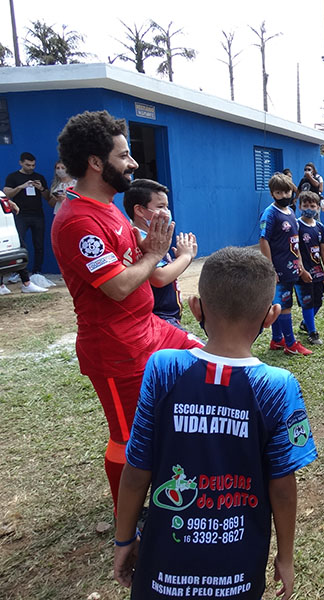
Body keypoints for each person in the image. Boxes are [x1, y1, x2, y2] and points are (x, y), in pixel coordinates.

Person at [113, 246, 317, 600]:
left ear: (195, 308)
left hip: (163, 564)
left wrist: (123, 539)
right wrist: (285, 557)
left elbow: (136, 469)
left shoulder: (163, 368)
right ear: (272, 316)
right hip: (238, 567)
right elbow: (283, 486)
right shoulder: (277, 385)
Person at [52, 110, 203, 512]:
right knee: (127, 437)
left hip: (150, 328)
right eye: (123, 156)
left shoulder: (108, 207)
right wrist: (153, 253)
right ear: (95, 162)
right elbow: (118, 286)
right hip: (116, 349)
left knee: (207, 361)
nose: (133, 163)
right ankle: (130, 519)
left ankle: (178, 462)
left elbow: (151, 274)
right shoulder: (77, 221)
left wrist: (157, 253)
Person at [123, 179, 197, 328]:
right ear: (139, 210)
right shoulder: (140, 239)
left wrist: (180, 260)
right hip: (158, 318)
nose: (167, 212)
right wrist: (185, 256)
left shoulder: (153, 236)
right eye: (160, 207)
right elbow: (159, 278)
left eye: (167, 206)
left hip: (166, 316)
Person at [259, 172, 313, 356]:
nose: (283, 196)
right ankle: (290, 344)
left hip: (292, 267)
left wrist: (301, 265)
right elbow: (264, 240)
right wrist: (270, 268)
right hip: (279, 268)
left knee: (279, 303)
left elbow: (294, 242)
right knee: (284, 305)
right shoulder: (270, 214)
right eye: (278, 193)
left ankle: (277, 339)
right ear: (272, 194)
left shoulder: (290, 212)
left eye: (287, 192)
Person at [4, 152, 52, 288]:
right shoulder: (13, 177)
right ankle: (17, 272)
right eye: (28, 165)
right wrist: (21, 187)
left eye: (33, 165)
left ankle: (37, 272)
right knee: (19, 244)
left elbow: (48, 197)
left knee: (39, 244)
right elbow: (6, 194)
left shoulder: (39, 177)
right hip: (21, 215)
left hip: (38, 215)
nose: (31, 168)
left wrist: (41, 188)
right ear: (21, 163)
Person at [295, 191, 324, 345]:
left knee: (318, 302)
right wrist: (302, 270)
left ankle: (305, 323)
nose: (309, 208)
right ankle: (312, 333)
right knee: (307, 302)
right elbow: (295, 249)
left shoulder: (320, 227)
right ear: (300, 207)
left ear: (318, 208)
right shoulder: (296, 226)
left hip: (318, 272)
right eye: (305, 205)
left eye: (312, 206)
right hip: (303, 273)